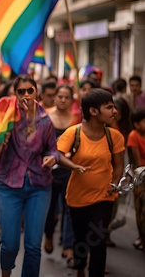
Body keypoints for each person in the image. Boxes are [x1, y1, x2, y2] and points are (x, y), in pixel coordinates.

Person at [0, 75, 58, 277]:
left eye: (30, 90)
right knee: (9, 243)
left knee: (34, 245)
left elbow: (53, 149)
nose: (26, 95)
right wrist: (0, 142)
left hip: (39, 185)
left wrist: (52, 158)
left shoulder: (46, 120)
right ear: (15, 94)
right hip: (9, 184)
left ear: (37, 92)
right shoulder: (6, 115)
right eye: (21, 91)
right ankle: (6, 274)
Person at [57, 88, 125, 277]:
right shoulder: (73, 132)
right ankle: (80, 268)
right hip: (77, 198)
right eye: (109, 107)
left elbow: (118, 165)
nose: (114, 111)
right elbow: (58, 156)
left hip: (104, 197)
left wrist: (114, 183)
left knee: (98, 240)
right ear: (94, 111)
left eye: (114, 107)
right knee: (81, 238)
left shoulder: (115, 136)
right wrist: (74, 166)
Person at [43, 84, 79, 266]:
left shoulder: (77, 119)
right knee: (50, 207)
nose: (63, 100)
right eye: (60, 96)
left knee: (69, 207)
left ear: (72, 100)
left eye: (67, 97)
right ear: (54, 98)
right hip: (47, 169)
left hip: (69, 169)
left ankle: (68, 246)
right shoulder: (45, 115)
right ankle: (48, 235)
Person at [127, 108, 145, 251]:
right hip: (140, 177)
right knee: (140, 210)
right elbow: (138, 162)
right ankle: (142, 237)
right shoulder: (133, 136)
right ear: (136, 124)